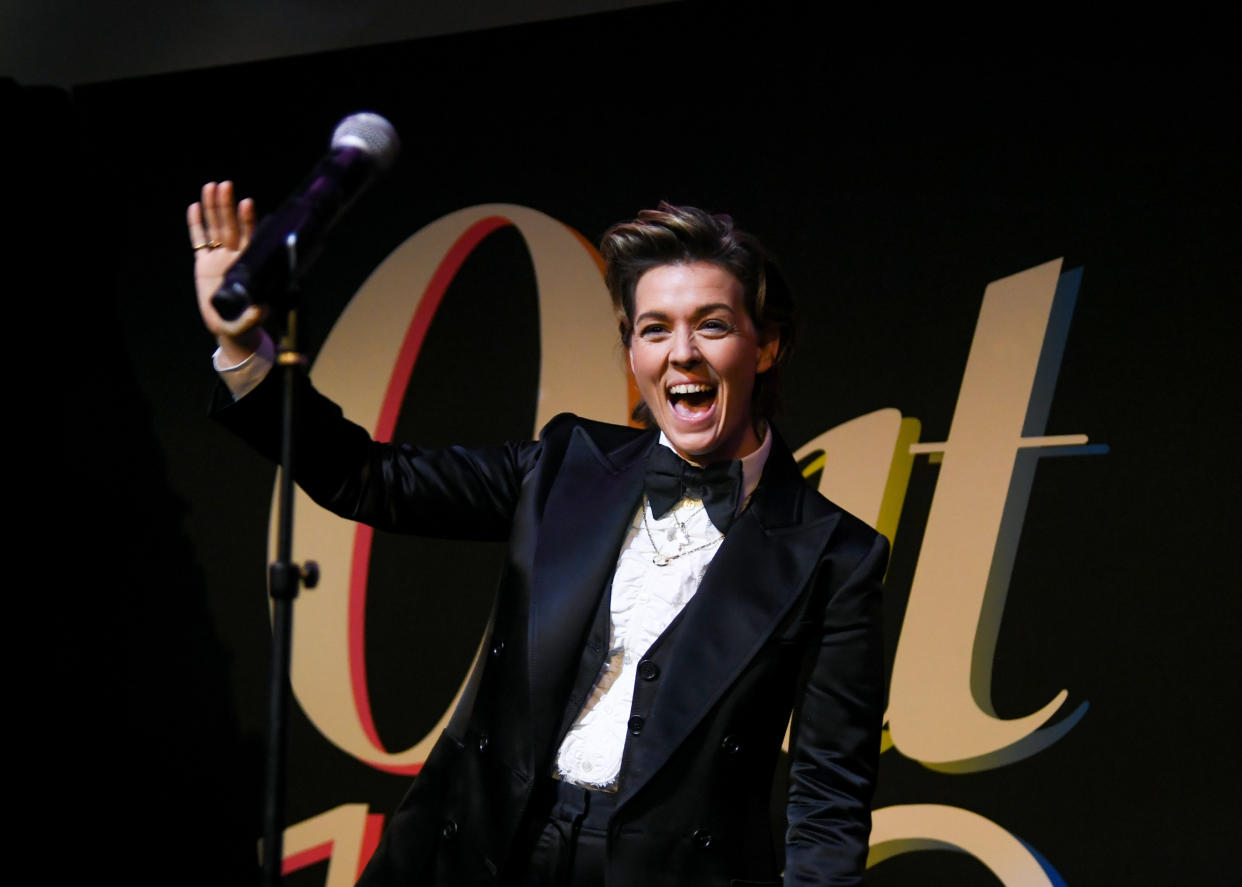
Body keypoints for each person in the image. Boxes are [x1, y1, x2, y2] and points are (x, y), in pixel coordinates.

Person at [189, 181, 888, 887]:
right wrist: (245, 348)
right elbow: (370, 478)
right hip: (492, 853)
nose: (682, 353)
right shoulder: (564, 466)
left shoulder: (834, 555)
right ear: (632, 352)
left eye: (711, 325)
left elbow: (829, 799)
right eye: (654, 329)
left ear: (765, 345)